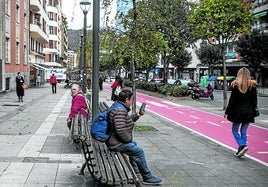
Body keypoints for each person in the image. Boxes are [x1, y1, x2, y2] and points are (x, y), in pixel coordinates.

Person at [107, 89, 162, 185]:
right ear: (126, 100)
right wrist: (128, 139)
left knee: (134, 146)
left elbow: (125, 120)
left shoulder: (118, 107)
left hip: (114, 140)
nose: (131, 102)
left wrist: (137, 115)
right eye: (131, 99)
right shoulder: (120, 110)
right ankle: (147, 177)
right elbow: (120, 129)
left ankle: (136, 171)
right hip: (115, 143)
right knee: (138, 151)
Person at [225, 67, 258, 159]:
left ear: (239, 75)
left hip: (238, 113)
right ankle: (241, 151)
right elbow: (254, 101)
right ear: (248, 75)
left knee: (235, 130)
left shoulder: (236, 86)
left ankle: (242, 146)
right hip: (249, 112)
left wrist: (227, 112)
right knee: (243, 131)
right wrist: (254, 111)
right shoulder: (252, 86)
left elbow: (232, 101)